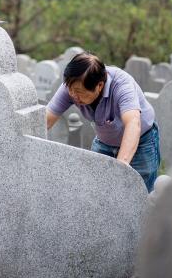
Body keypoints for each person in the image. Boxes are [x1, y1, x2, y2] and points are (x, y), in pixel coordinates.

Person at [46, 52, 161, 192]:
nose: (73, 95)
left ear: (99, 85)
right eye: (69, 89)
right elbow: (46, 119)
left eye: (79, 92)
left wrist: (121, 166)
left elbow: (133, 123)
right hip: (104, 141)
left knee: (138, 192)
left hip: (140, 142)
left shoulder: (122, 85)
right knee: (96, 191)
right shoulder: (72, 86)